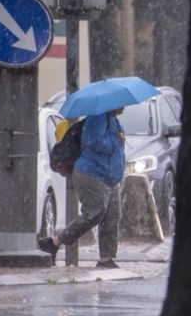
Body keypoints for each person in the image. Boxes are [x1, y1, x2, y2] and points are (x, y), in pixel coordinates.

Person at [38, 107, 127, 268]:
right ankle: (54, 242)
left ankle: (106, 259)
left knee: (112, 217)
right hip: (92, 173)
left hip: (110, 178)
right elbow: (95, 142)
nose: (124, 106)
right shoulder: (97, 117)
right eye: (121, 104)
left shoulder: (113, 119)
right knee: (94, 212)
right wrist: (117, 140)